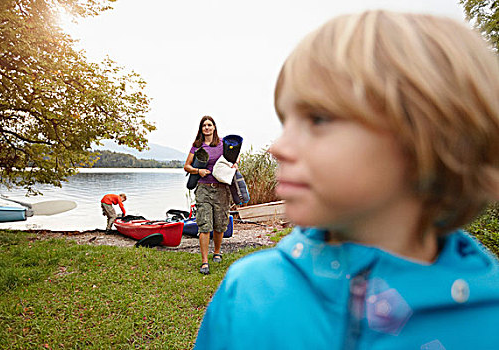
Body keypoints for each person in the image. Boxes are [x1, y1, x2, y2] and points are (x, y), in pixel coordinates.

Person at [195, 10, 499, 349]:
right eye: (286, 121)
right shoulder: (249, 291)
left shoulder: (489, 319)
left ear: (429, 138)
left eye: (318, 118)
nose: (279, 147)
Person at [184, 116, 232, 275]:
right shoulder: (197, 146)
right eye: (204, 125)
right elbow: (187, 166)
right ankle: (204, 261)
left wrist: (235, 163)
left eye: (209, 125)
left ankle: (217, 252)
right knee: (204, 225)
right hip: (203, 189)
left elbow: (234, 157)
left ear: (214, 127)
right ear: (201, 129)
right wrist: (198, 171)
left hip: (221, 189)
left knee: (220, 224)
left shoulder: (222, 143)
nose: (207, 128)